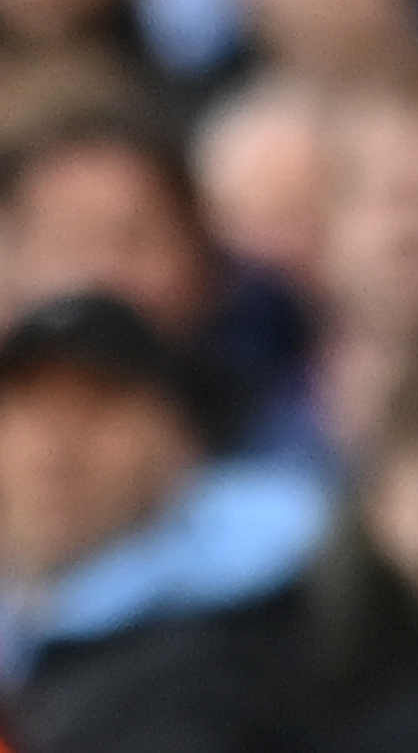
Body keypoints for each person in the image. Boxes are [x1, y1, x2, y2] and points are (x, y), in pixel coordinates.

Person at [0, 291, 332, 753]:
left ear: (178, 440)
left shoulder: (233, 646)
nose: (53, 453)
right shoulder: (24, 638)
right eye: (28, 410)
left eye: (94, 410)